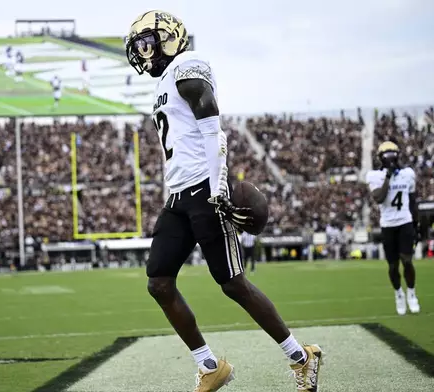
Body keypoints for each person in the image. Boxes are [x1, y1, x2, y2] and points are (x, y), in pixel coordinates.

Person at [125, 10, 322, 391]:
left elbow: (213, 127)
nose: (144, 53)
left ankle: (302, 355)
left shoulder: (188, 63)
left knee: (233, 284)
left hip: (205, 190)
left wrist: (217, 188)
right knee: (159, 283)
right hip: (178, 195)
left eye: (148, 44)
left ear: (169, 38)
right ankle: (210, 365)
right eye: (140, 48)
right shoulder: (163, 80)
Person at [366, 141, 421, 315]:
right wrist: (388, 177)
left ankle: (411, 292)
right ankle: (398, 293)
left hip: (405, 221)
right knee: (392, 266)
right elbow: (379, 198)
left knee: (407, 260)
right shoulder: (375, 175)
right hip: (388, 224)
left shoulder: (407, 174)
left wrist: (416, 225)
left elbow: (412, 201)